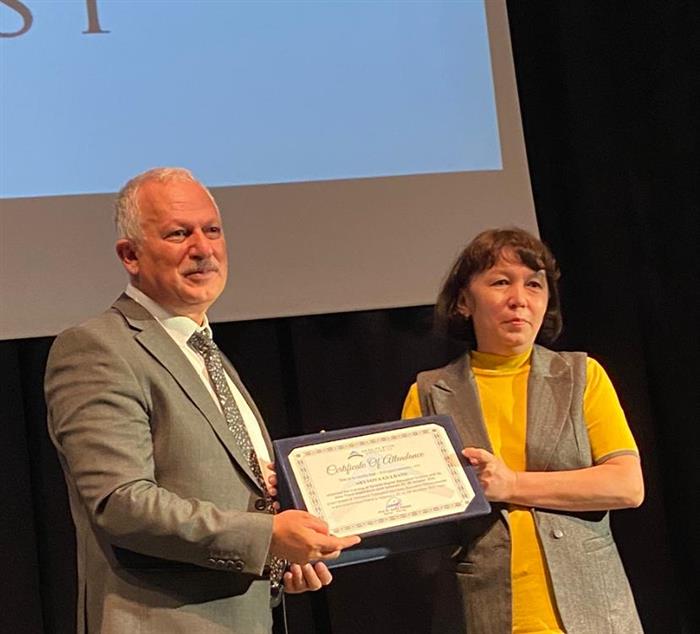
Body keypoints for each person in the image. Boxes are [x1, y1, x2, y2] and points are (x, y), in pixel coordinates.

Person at [44, 167, 360, 633]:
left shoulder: (205, 352)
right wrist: (267, 538)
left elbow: (236, 500)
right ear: (130, 255)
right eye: (179, 234)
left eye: (212, 230)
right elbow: (121, 502)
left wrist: (279, 563)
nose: (203, 248)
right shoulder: (97, 348)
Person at [402, 227, 644, 633]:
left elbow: (626, 486)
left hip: (592, 614)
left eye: (534, 284)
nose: (519, 299)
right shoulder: (429, 393)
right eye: (501, 282)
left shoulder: (582, 376)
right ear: (464, 301)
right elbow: (412, 508)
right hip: (483, 614)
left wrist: (511, 484)